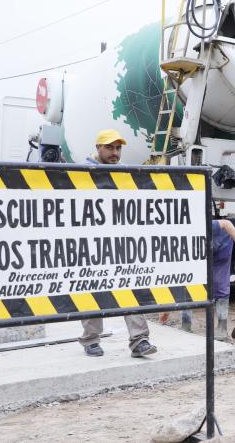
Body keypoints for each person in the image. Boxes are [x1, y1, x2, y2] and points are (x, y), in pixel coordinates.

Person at [80, 129, 157, 357]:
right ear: (98, 148)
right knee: (94, 290)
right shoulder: (82, 173)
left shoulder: (125, 174)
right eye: (109, 147)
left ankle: (140, 341)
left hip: (122, 243)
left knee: (131, 289)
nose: (115, 153)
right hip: (92, 243)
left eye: (118, 148)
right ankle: (90, 340)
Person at [169, 219, 235, 336]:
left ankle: (222, 328)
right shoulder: (182, 235)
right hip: (199, 249)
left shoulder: (206, 225)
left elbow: (226, 223)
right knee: (189, 282)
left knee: (219, 282)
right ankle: (186, 324)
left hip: (222, 246)